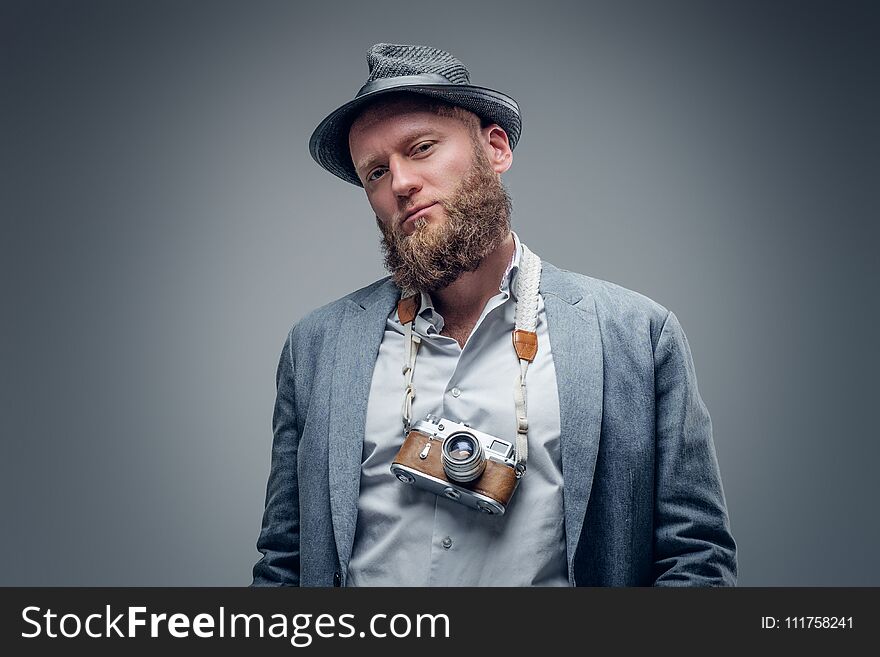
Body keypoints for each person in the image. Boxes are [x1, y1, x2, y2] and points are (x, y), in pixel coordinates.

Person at [251, 43, 736, 587]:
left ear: (496, 148)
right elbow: (283, 565)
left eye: (423, 147)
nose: (401, 184)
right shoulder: (316, 347)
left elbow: (695, 559)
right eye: (375, 173)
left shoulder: (638, 336)